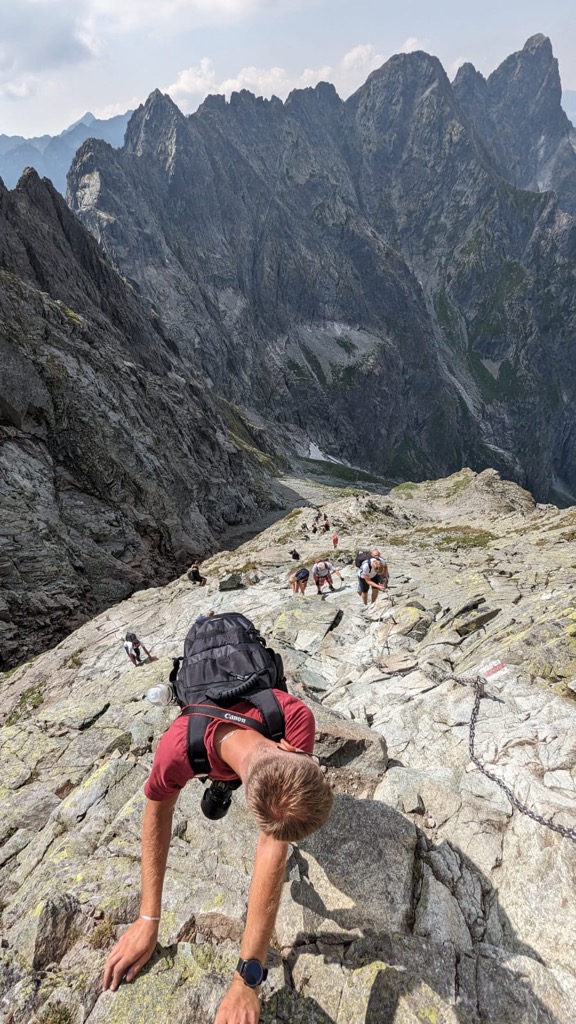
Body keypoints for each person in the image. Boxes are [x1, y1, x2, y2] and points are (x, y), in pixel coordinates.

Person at [102, 644, 333, 1024]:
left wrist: (247, 978)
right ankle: (221, 782)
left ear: (289, 749)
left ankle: (221, 781)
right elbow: (156, 813)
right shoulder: (177, 748)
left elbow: (274, 841)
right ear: (292, 747)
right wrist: (147, 918)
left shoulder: (294, 714)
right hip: (202, 722)